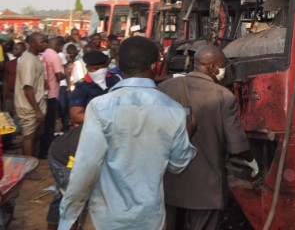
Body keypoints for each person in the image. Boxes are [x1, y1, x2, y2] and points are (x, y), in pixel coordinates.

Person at [59, 36, 197, 230]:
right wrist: (187, 133)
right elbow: (177, 164)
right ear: (155, 66)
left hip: (105, 219)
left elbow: (86, 168)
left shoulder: (99, 107)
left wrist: (68, 218)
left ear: (118, 66)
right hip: (151, 220)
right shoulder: (173, 110)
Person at [159, 45, 258, 230]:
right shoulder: (223, 96)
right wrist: (252, 161)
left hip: (169, 182)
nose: (224, 71)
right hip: (206, 187)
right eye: (223, 66)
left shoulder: (164, 88)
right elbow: (237, 145)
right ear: (212, 68)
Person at [46, 51, 122, 230]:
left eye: (102, 68)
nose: (99, 71)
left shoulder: (116, 80)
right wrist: (110, 116)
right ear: (88, 68)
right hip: (71, 153)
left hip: (100, 146)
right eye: (94, 69)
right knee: (69, 196)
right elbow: (76, 115)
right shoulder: (82, 86)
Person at [14, 33, 48, 158]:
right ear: (32, 44)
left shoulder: (34, 58)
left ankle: (31, 160)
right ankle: (27, 165)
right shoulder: (28, 61)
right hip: (29, 107)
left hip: (37, 103)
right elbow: (28, 88)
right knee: (29, 136)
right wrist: (37, 110)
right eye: (42, 42)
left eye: (45, 41)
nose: (45, 44)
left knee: (37, 134)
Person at [39, 37, 65, 158]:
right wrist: (67, 73)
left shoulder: (42, 53)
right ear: (58, 45)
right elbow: (59, 76)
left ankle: (39, 148)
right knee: (49, 124)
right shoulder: (55, 56)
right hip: (52, 93)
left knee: (41, 123)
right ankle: (45, 151)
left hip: (41, 94)